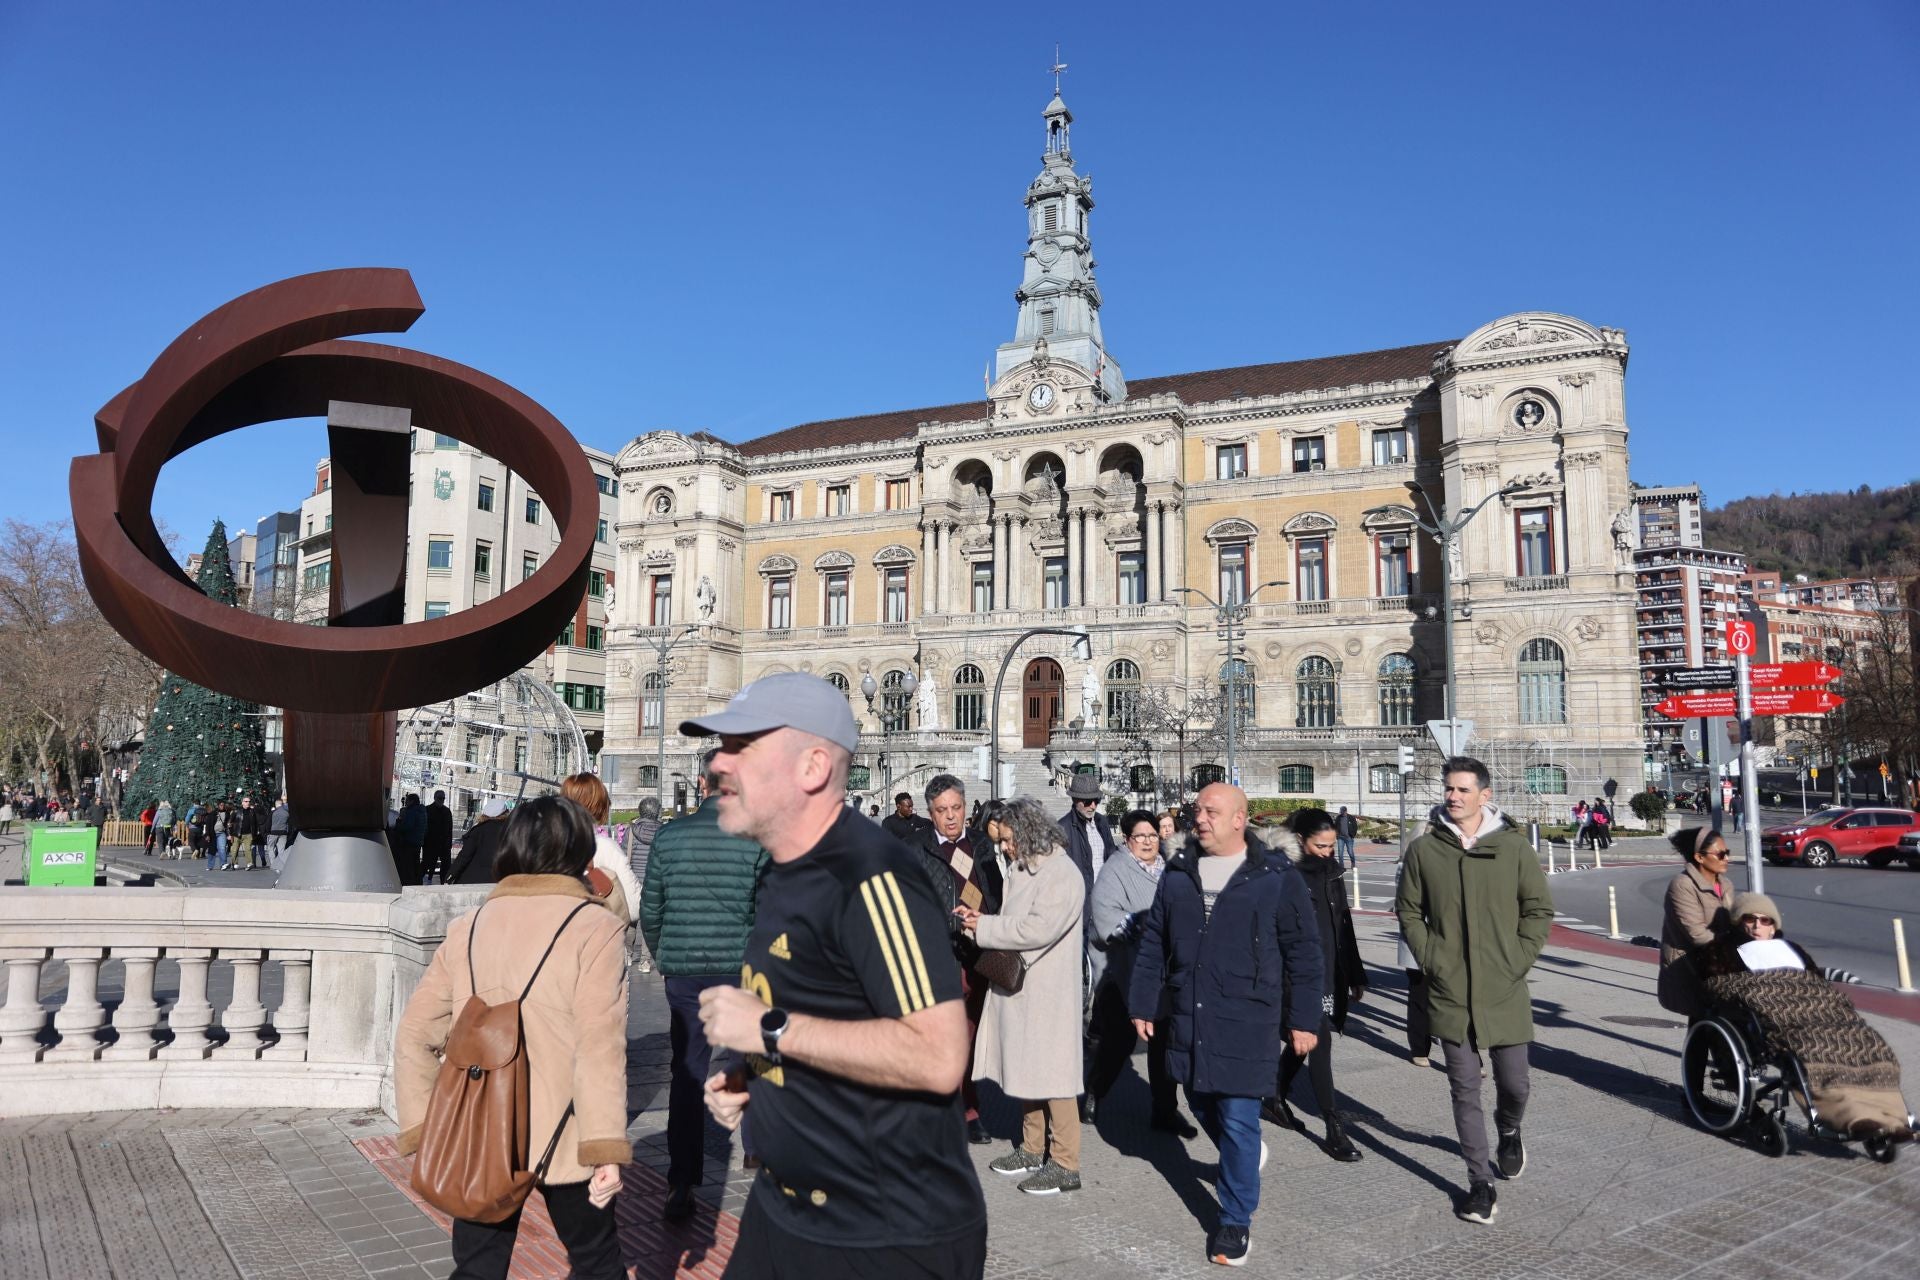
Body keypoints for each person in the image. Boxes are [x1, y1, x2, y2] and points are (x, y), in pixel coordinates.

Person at [684, 674, 985, 1279]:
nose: (717, 764)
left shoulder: (873, 875)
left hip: (883, 1238)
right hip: (782, 1211)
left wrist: (766, 1029)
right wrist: (753, 1078)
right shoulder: (780, 871)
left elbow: (937, 1055)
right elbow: (826, 1008)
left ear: (813, 766)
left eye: (740, 747)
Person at [393, 795, 631, 1279]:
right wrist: (605, 1147)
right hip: (565, 1131)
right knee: (595, 1261)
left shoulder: (468, 927)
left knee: (478, 1267)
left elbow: (415, 1033)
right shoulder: (595, 928)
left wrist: (423, 1128)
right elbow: (599, 1045)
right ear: (581, 851)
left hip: (481, 1128)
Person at [1129, 783, 1324, 1268]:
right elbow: (1154, 941)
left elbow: (1305, 952)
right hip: (1190, 1011)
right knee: (1196, 1094)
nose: (1200, 818)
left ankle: (1235, 1220)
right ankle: (1245, 1156)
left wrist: (1303, 1019)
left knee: (1238, 1117)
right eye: (1197, 810)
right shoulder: (1178, 873)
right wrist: (1143, 1001)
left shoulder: (1275, 876)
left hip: (1248, 1016)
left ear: (1240, 819)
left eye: (1211, 811)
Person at [1395, 756, 1555, 1227]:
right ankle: (1478, 1184)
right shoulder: (1426, 851)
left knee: (1515, 1083)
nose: (1453, 796)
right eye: (1449, 788)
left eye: (1463, 789)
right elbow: (1408, 912)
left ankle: (1509, 1130)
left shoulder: (1512, 847)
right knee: (1464, 1089)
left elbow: (1538, 909)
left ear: (1485, 795)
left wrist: (1517, 958)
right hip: (1448, 988)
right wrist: (1432, 958)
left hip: (1503, 985)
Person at [640, 753, 770, 1223]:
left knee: (689, 1072)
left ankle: (681, 1180)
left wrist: (665, 957)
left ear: (700, 783)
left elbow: (650, 910)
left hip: (685, 974)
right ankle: (758, 1153)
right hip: (739, 971)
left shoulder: (669, 837)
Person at [1694, 893, 1913, 1140]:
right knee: (1813, 1048)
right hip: (1780, 1019)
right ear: (1738, 922)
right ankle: (1851, 1118)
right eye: (1750, 919)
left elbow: (1816, 983)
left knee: (1868, 1042)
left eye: (1765, 920)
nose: (1757, 926)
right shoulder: (1721, 950)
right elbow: (1720, 986)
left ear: (1774, 926)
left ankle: (1893, 1117)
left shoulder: (1792, 949)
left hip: (1821, 1012)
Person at [956, 797, 1086, 1195]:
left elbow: (1037, 929)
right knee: (1028, 1069)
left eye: (1009, 839)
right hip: (1023, 986)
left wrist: (985, 929)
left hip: (1047, 990)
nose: (1005, 847)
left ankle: (1065, 1162)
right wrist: (983, 922)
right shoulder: (1025, 866)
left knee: (1055, 1074)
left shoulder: (1061, 873)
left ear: (1029, 833)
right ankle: (1032, 1147)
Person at [1266, 809, 1367, 1162]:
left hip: (1329, 971)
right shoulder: (1280, 874)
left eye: (1331, 845)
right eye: (1320, 845)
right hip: (1295, 977)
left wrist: (1354, 974)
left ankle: (1274, 1094)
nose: (1327, 852)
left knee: (1305, 1040)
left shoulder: (1332, 873)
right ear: (1299, 841)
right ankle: (1333, 1126)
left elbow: (1343, 925)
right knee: (1319, 1041)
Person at [908, 773, 1002, 1146]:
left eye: (956, 808)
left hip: (981, 955)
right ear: (929, 813)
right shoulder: (914, 848)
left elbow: (996, 895)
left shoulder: (982, 845)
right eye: (941, 810)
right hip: (939, 956)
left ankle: (969, 1109)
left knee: (973, 1037)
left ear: (966, 807)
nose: (950, 817)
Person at [1085, 809, 1191, 1136]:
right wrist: (1142, 923)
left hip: (1163, 973)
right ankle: (1093, 1094)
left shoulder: (1169, 867)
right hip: (1122, 972)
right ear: (1127, 840)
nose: (1147, 842)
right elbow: (1103, 919)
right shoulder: (1115, 870)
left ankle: (1165, 1109)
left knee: (1163, 1044)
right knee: (1119, 1042)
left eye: (1152, 835)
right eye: (1139, 837)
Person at [1658, 827, 1733, 1018]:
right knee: (1702, 1024)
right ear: (1699, 857)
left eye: (1727, 853)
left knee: (1713, 1029)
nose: (1727, 859)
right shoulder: (1682, 885)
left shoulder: (1726, 885)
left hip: (1719, 967)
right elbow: (1697, 934)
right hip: (1689, 969)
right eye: (1721, 854)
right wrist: (1733, 951)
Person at [560, 774, 642, 928]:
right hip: (597, 940)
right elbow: (634, 906)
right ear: (599, 805)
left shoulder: (549, 845)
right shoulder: (603, 847)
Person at [1057, 772, 1118, 892]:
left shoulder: (1102, 822)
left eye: (1096, 800)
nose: (1093, 806)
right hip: (1079, 897)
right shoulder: (1063, 828)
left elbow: (1111, 855)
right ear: (1075, 800)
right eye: (1088, 801)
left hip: (1105, 894)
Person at [626, 797, 662, 973]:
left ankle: (628, 953)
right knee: (649, 923)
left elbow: (624, 854)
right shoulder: (663, 832)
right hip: (653, 882)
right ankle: (646, 962)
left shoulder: (631, 831)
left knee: (631, 920)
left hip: (633, 881)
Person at [449, 798, 512, 884]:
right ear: (505, 813)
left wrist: (450, 875)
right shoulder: (512, 831)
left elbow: (464, 856)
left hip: (474, 880)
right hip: (500, 881)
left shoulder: (479, 830)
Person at [393, 793, 426, 885]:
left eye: (407, 800)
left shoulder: (412, 811)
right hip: (418, 841)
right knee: (416, 864)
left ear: (412, 801)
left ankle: (409, 883)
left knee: (408, 865)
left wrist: (399, 821)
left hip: (409, 841)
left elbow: (407, 827)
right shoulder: (422, 812)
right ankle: (418, 882)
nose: (405, 802)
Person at [423, 789, 454, 884]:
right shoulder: (427, 810)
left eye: (443, 798)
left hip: (444, 844)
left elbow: (450, 828)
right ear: (435, 798)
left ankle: (443, 882)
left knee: (445, 866)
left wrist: (449, 843)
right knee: (428, 863)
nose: (441, 800)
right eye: (440, 798)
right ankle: (426, 879)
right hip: (431, 843)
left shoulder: (447, 811)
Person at [266, 796, 290, 872]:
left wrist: (267, 832)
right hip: (283, 833)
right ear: (282, 804)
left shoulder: (273, 812)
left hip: (273, 832)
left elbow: (268, 823)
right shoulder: (287, 812)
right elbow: (289, 823)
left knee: (271, 848)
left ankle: (274, 865)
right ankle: (282, 865)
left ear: (276, 804)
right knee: (281, 850)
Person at [1333, 806, 1358, 871]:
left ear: (1346, 811)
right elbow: (1335, 826)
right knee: (1340, 852)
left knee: (1350, 852)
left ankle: (1353, 863)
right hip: (1340, 838)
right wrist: (1337, 835)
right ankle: (1341, 866)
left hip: (1349, 838)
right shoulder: (1338, 817)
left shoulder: (1351, 817)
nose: (1341, 813)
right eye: (1341, 812)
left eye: (1343, 812)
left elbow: (1355, 827)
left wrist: (1353, 835)